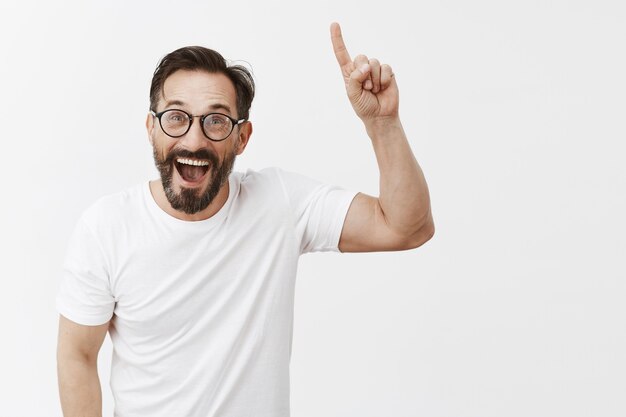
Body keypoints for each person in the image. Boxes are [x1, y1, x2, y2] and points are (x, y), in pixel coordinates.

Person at [56, 22, 434, 417]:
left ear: (242, 137)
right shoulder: (106, 227)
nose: (194, 140)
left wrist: (383, 123)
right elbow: (77, 355)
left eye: (216, 120)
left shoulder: (280, 202)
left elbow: (407, 226)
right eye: (176, 117)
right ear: (152, 127)